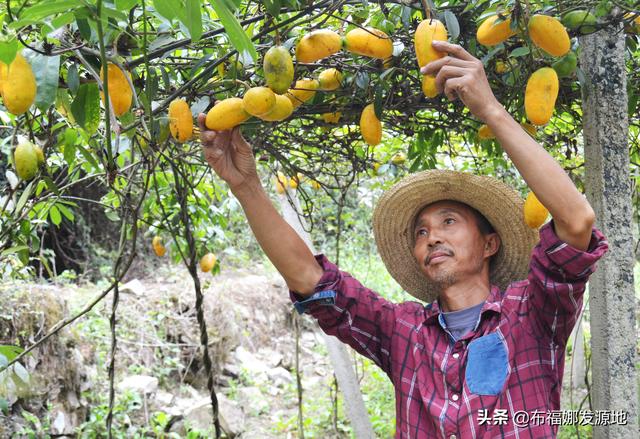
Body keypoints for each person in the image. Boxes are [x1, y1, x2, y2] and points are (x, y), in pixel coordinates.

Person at [198, 40, 608, 438]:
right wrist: (245, 185)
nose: (431, 238)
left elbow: (576, 221)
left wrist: (489, 109)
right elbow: (311, 280)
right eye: (421, 232)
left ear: (489, 244)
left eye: (449, 222)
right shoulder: (405, 333)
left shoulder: (532, 314)